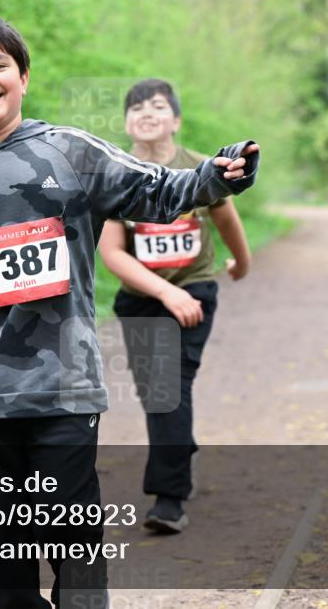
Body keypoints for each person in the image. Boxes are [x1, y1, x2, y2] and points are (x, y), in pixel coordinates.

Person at [0, 10, 259, 609]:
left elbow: (156, 188)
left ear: (23, 76)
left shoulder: (71, 151)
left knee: (75, 546)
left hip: (64, 389)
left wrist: (216, 176)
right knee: (6, 555)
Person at [98, 79, 252, 534]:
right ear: (127, 123)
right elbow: (113, 253)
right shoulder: (117, 177)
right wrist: (165, 292)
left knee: (170, 387)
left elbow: (227, 219)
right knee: (158, 393)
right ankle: (179, 447)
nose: (147, 113)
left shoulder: (200, 169)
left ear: (176, 120)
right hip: (143, 299)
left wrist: (241, 263)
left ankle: (169, 499)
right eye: (137, 108)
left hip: (196, 289)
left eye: (158, 106)